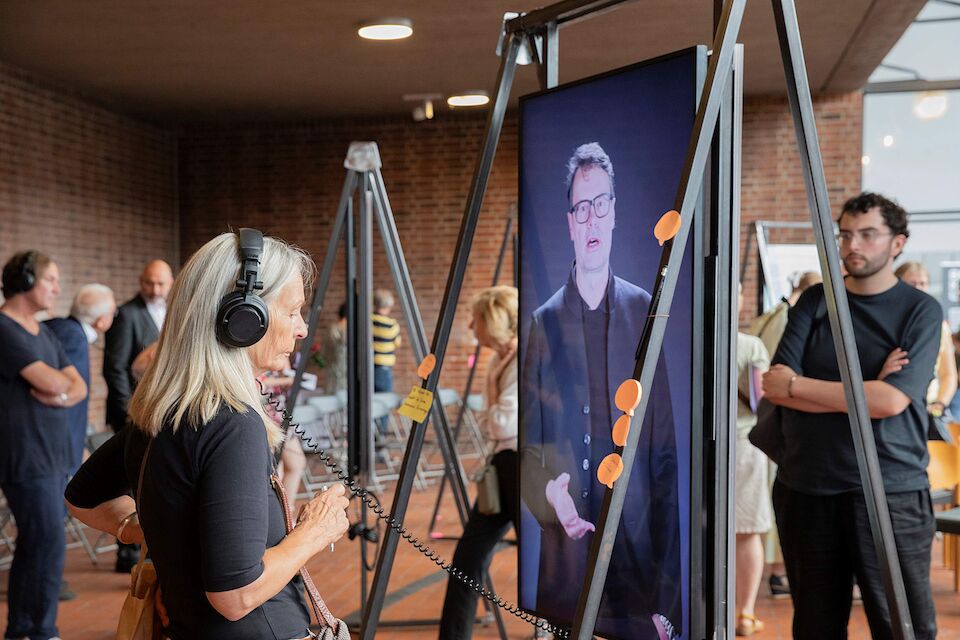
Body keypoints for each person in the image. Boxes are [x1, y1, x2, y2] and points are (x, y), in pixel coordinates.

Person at [65, 231, 350, 639]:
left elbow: (82, 498)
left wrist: (161, 535)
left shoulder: (165, 411)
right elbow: (234, 595)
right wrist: (313, 534)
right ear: (245, 318)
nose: (302, 329)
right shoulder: (233, 424)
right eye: (293, 313)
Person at [762, 192, 940, 639]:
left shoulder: (920, 310)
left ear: (897, 243)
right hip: (807, 485)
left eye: (867, 234)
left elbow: (891, 402)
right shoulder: (815, 301)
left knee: (903, 627)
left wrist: (801, 387)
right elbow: (774, 386)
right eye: (845, 234)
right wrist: (866, 388)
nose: (852, 244)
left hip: (889, 489)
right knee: (815, 626)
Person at [521, 142, 681, 639]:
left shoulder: (643, 310)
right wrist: (548, 496)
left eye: (601, 204)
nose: (591, 218)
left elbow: (664, 460)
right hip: (567, 566)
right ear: (570, 223)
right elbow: (529, 450)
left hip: (637, 564)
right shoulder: (542, 323)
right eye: (581, 208)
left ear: (614, 214)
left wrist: (668, 600)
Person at [1, 250, 87, 640]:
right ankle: (41, 630)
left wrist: (64, 394)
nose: (56, 287)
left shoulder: (43, 332)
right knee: (47, 541)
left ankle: (23, 629)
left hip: (52, 455)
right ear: (26, 280)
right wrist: (61, 389)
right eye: (50, 279)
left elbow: (77, 385)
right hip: (24, 455)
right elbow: (53, 382)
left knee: (40, 543)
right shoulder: (4, 328)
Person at [439, 286, 519, 639]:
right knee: (468, 556)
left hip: (521, 467)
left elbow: (503, 422)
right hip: (504, 465)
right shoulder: (502, 359)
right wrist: (492, 418)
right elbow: (498, 420)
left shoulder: (522, 359)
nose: (472, 327)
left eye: (477, 320)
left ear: (494, 321)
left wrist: (490, 418)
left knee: (544, 561)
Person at [747, 270, 821, 598]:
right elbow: (776, 381)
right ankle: (778, 573)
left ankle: (779, 572)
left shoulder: (767, 317)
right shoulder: (787, 319)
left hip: (765, 422)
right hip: (780, 421)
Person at [103, 259, 173, 572]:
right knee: (129, 481)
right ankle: (126, 552)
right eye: (149, 283)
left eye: (160, 284)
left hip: (160, 410)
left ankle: (150, 546)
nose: (155, 289)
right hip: (132, 412)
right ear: (140, 281)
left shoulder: (173, 311)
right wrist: (125, 411)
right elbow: (115, 367)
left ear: (170, 282)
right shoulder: (126, 314)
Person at [44, 283, 117, 476]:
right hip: (59, 448)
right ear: (101, 321)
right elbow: (69, 395)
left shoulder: (62, 327)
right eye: (112, 312)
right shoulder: (73, 338)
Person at [734, 286, 771, 636]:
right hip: (744, 445)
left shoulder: (687, 339)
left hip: (696, 448)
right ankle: (744, 614)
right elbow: (762, 403)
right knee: (747, 533)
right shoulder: (751, 346)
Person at [895, 261, 958, 426]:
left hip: (928, 408)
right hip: (895, 406)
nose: (919, 288)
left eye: (923, 283)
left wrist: (939, 405)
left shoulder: (939, 324)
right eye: (912, 283)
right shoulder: (889, 322)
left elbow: (949, 374)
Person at [372, 289, 400, 395]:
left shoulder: (368, 320)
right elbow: (397, 343)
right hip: (384, 367)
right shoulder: (392, 324)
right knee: (384, 400)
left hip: (368, 364)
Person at [321, 302, 348, 393]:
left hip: (332, 368)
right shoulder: (344, 329)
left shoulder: (332, 328)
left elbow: (324, 351)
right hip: (341, 370)